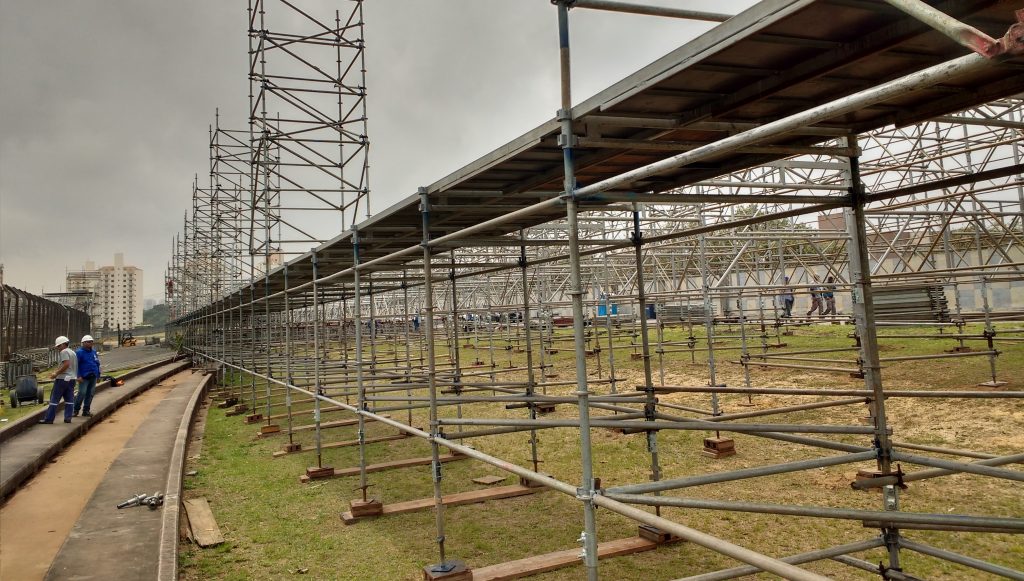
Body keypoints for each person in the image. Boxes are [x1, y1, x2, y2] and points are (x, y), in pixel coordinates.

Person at [40, 336, 77, 424]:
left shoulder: (64, 352)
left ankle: (49, 419)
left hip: (62, 379)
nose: (58, 348)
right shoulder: (72, 352)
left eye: (59, 346)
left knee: (54, 399)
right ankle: (68, 418)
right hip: (71, 379)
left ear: (64, 344)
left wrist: (56, 374)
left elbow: (66, 364)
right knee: (69, 399)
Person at [74, 334, 101, 417]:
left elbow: (97, 363)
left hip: (93, 376)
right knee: (82, 392)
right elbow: (76, 365)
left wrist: (98, 375)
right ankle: (75, 409)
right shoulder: (79, 352)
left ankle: (86, 410)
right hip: (84, 377)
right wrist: (78, 376)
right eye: (88, 342)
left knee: (90, 394)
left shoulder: (93, 352)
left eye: (91, 342)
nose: (90, 343)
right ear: (83, 343)